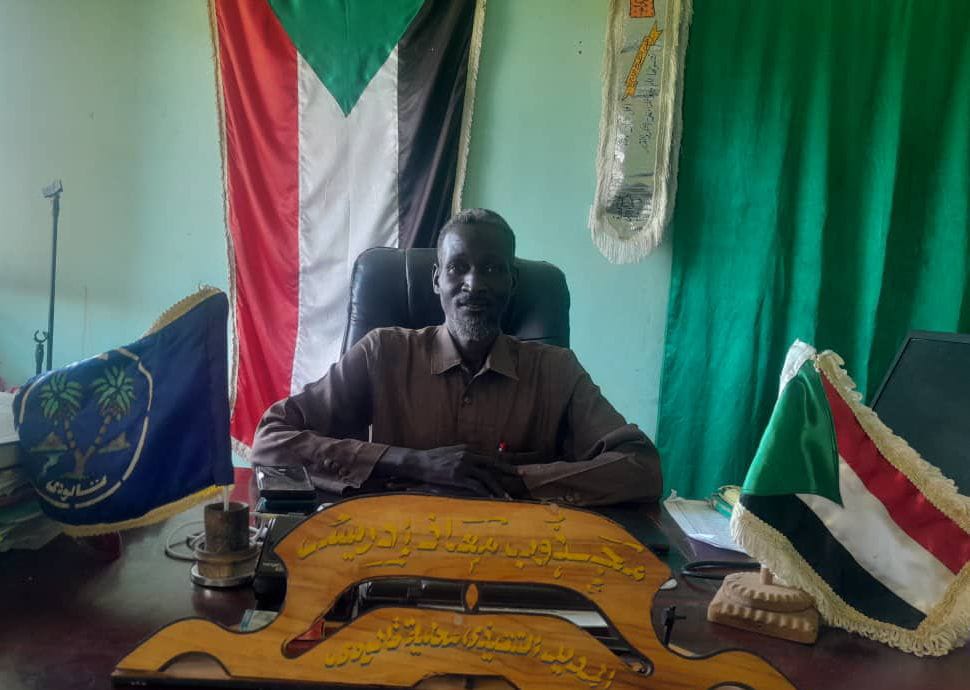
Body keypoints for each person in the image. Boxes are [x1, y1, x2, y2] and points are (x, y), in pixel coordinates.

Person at [251, 209, 662, 506]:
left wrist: (517, 480)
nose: (474, 284)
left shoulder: (556, 371)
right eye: (458, 268)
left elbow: (641, 467)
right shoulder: (383, 353)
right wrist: (411, 463)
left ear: (512, 281)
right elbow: (271, 440)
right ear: (436, 280)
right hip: (395, 548)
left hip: (520, 553)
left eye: (492, 269)